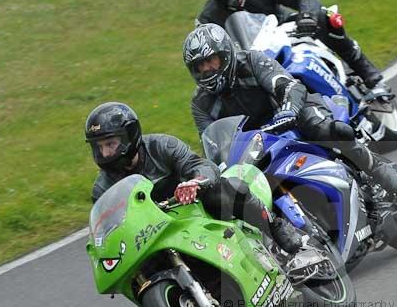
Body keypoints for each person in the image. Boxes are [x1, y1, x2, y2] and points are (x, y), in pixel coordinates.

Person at [183, 24, 397, 194]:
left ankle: (381, 173)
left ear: (225, 55)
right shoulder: (200, 103)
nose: (206, 70)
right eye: (199, 66)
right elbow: (211, 144)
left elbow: (288, 85)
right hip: (255, 144)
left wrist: (288, 110)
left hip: (292, 112)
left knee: (326, 130)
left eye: (211, 61)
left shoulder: (251, 61)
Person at [85, 101, 303, 253]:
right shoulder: (102, 188)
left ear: (130, 136)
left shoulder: (162, 146)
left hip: (193, 207)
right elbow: (109, 228)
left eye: (111, 144)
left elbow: (201, 165)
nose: (105, 153)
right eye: (99, 147)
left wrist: (196, 182)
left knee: (223, 188)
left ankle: (275, 227)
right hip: (154, 232)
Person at [196, 0, 384, 89]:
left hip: (287, 31)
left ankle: (366, 71)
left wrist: (307, 17)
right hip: (252, 58)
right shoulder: (207, 18)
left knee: (327, 17)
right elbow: (208, 54)